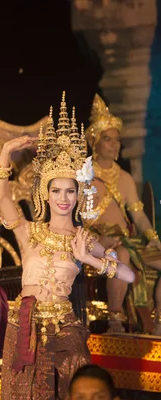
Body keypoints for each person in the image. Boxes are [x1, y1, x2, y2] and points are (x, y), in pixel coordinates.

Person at [0, 94, 135, 399]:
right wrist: (5, 153)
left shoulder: (83, 239)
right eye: (56, 190)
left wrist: (90, 259)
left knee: (75, 377)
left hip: (62, 324)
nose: (62, 197)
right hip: (24, 323)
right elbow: (2, 198)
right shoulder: (28, 231)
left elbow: (129, 276)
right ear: (45, 195)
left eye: (69, 191)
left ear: (77, 195)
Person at [85, 94, 161, 334]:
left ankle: (157, 321)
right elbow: (79, 218)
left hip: (127, 239)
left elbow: (137, 214)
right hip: (94, 240)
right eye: (107, 139)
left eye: (117, 140)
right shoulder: (83, 175)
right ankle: (115, 320)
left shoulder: (125, 178)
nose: (114, 144)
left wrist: (153, 236)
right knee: (122, 255)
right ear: (94, 141)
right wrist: (98, 240)